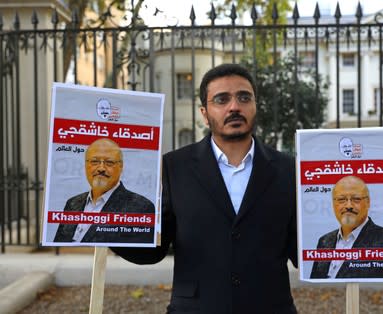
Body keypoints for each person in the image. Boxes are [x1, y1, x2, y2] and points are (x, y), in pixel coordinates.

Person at [111, 64, 298, 314]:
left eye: (244, 97)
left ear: (255, 105)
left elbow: (303, 249)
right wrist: (106, 228)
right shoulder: (173, 167)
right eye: (222, 99)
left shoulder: (289, 169)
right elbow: (155, 248)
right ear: (204, 112)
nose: (234, 107)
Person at [53, 138, 155, 243]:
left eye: (109, 162)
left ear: (121, 166)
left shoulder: (141, 207)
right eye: (94, 161)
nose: (101, 168)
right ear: (85, 165)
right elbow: (59, 244)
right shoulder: (72, 203)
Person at [310, 175, 383, 279]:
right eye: (341, 199)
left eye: (356, 199)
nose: (348, 206)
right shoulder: (324, 241)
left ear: (368, 202)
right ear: (333, 203)